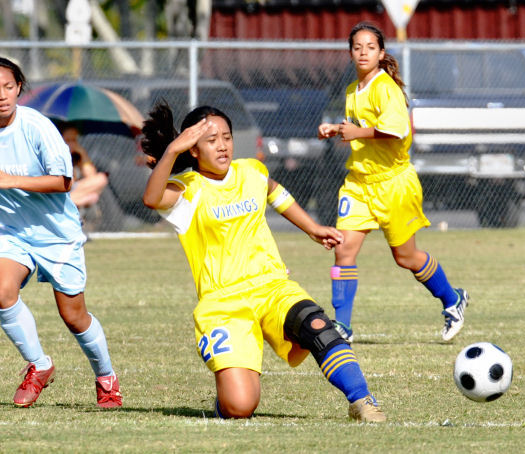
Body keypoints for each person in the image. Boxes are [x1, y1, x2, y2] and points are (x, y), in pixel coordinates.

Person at [140, 102, 386, 422]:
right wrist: (173, 150)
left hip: (271, 285)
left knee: (319, 327)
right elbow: (151, 198)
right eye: (211, 140)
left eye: (226, 137)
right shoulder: (187, 191)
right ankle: (227, 396)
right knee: (240, 407)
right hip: (224, 303)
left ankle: (363, 401)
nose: (223, 145)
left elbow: (274, 191)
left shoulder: (251, 171)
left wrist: (311, 228)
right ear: (194, 149)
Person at [0, 57, 122, 408]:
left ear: (19, 87)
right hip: (11, 230)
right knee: (2, 291)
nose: (2, 96)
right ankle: (40, 366)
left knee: (73, 316)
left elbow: (63, 181)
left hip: (56, 234)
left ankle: (106, 377)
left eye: (9, 87)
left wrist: (9, 180)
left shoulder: (38, 127)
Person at [317, 21, 468, 342]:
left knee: (406, 257)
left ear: (381, 52)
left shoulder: (385, 88)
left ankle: (453, 299)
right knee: (343, 250)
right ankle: (342, 326)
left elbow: (396, 130)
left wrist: (356, 132)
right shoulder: (351, 91)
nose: (363, 53)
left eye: (370, 47)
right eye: (357, 47)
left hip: (393, 184)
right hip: (359, 183)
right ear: (350, 53)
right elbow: (362, 127)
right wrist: (336, 128)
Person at [58, 122, 110, 211]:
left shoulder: (76, 156)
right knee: (93, 194)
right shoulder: (57, 156)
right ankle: (67, 204)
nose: (71, 144)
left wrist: (83, 154)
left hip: (72, 192)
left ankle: (70, 203)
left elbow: (91, 176)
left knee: (96, 190)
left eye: (74, 140)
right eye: (67, 140)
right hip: (60, 192)